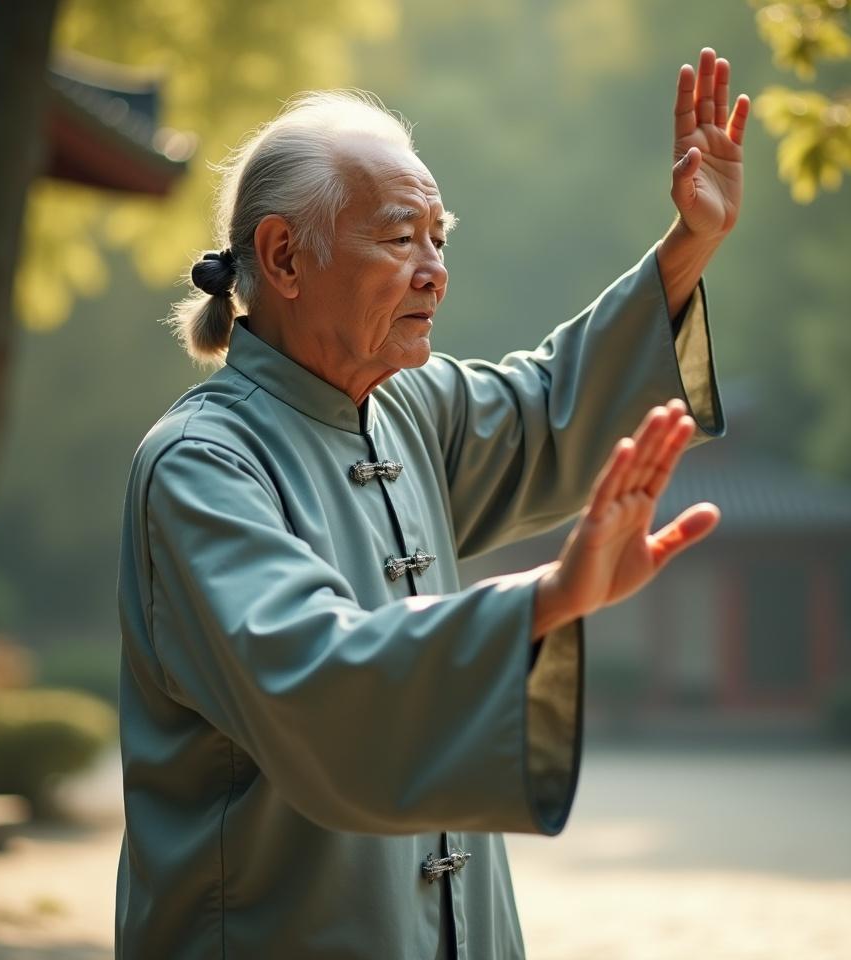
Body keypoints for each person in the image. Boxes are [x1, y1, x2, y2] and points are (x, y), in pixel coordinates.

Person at [116, 47, 747, 959]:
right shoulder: (201, 465)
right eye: (399, 236)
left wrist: (692, 240)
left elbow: (547, 406)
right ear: (285, 257)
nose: (433, 271)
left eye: (439, 238)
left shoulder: (409, 404)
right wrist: (545, 600)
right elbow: (313, 674)